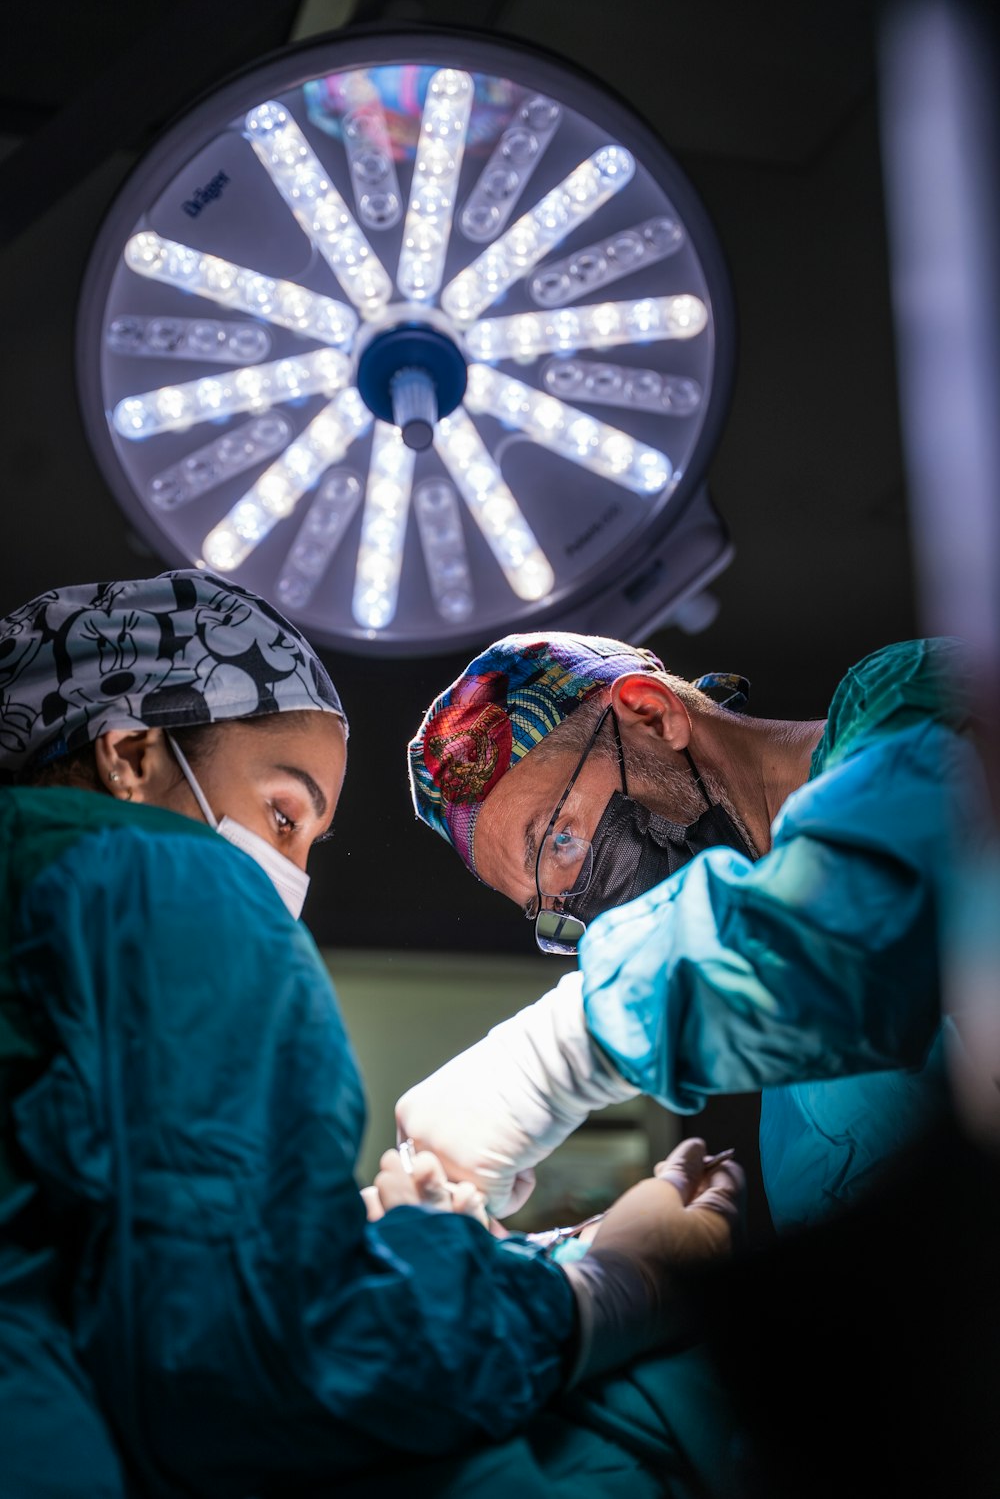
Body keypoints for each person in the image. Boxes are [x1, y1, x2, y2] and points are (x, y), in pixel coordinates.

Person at [0, 571, 747, 1499]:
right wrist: (610, 1286)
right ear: (133, 754)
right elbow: (288, 1369)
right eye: (284, 813)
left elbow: (126, 1290)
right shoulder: (160, 885)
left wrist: (344, 1246)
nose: (289, 881)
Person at [400, 630, 984, 1234]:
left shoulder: (914, 704)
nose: (586, 909)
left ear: (651, 716)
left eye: (561, 842)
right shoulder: (786, 1060)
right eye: (552, 913)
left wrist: (556, 1053)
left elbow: (870, 906)